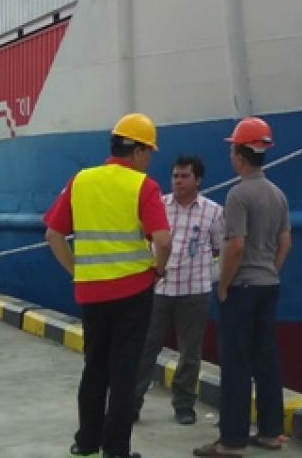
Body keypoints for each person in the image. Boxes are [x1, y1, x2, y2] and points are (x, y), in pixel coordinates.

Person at [44, 113, 172, 458]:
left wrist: (76, 270)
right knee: (124, 371)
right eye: (150, 153)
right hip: (133, 293)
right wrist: (158, 271)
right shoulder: (143, 186)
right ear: (139, 151)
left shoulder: (81, 180)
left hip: (91, 293)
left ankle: (86, 442)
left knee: (95, 367)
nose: (149, 160)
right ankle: (116, 449)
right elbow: (162, 240)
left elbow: (53, 234)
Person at [195, 117, 292, 457]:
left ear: (239, 154)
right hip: (268, 285)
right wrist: (270, 271)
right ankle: (270, 432)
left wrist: (224, 286)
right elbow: (285, 242)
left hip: (243, 288)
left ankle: (231, 441)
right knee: (266, 359)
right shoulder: (278, 194)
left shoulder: (238, 195)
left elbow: (234, 246)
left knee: (235, 365)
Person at [133, 155, 224, 425]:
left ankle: (184, 405)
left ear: (198, 180)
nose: (178, 181)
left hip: (194, 292)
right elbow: (144, 239)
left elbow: (221, 248)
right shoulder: (158, 205)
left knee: (191, 352)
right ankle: (132, 402)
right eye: (175, 176)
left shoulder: (213, 212)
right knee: (146, 347)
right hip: (159, 289)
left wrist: (210, 278)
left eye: (184, 176)